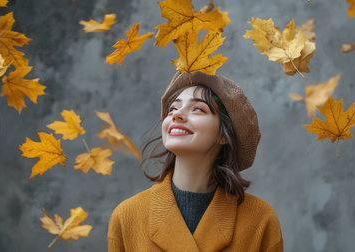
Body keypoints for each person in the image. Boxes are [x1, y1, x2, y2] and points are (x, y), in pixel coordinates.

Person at [108, 71, 283, 252]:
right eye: (173, 109)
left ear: (224, 134)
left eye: (198, 109)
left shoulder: (260, 219)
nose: (177, 115)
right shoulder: (127, 216)